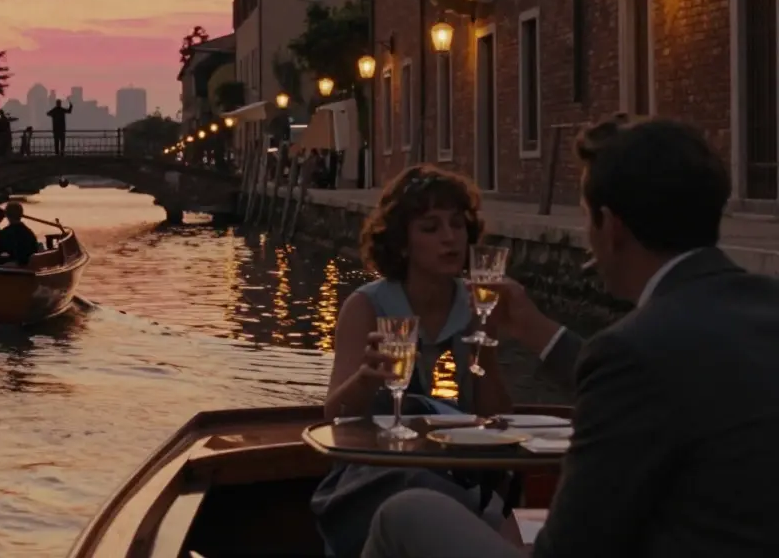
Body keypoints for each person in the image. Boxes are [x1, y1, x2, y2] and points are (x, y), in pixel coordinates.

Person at [361, 115, 779, 558]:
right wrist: (534, 329)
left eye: (586, 219)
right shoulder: (762, 307)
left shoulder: (629, 352)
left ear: (610, 226)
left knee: (405, 513)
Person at [312, 164, 516, 556]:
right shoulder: (367, 307)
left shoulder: (477, 304)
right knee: (421, 487)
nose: (449, 238)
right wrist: (367, 378)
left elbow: (496, 418)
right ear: (403, 243)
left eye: (457, 225)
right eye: (431, 228)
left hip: (458, 471)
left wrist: (486, 347)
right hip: (374, 476)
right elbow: (332, 415)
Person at [0, 202, 41, 267]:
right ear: (21, 214)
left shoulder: (5, 233)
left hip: (15, 267)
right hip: (27, 266)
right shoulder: (29, 233)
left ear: (6, 215)